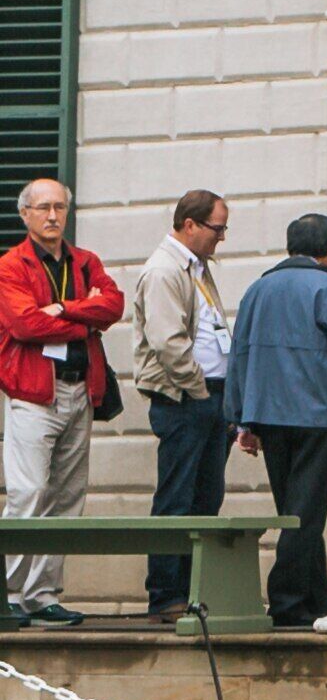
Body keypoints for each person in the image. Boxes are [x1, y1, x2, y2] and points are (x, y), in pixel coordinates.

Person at [226, 213, 327, 628]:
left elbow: (238, 355)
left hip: (267, 413)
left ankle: (318, 593)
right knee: (305, 512)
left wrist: (240, 420)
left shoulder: (257, 290)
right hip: (316, 412)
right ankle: (287, 599)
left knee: (293, 507)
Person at [0, 178, 126, 626]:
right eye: (43, 208)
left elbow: (113, 305)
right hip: (33, 393)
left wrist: (64, 309)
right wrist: (85, 318)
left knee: (67, 498)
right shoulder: (11, 266)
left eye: (60, 207)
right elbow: (25, 325)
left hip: (79, 389)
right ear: (25, 214)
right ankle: (7, 594)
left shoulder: (86, 261)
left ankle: (41, 595)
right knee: (29, 493)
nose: (53, 216)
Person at [132, 189, 235, 621]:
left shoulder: (197, 266)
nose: (221, 237)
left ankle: (193, 591)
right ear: (189, 224)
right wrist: (200, 390)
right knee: (177, 497)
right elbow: (168, 343)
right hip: (185, 397)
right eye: (217, 228)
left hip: (209, 395)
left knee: (207, 497)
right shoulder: (164, 270)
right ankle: (166, 596)